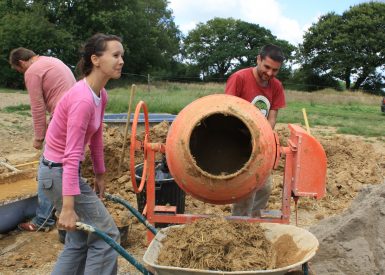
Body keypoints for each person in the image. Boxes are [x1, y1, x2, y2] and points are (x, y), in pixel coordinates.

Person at [39, 33, 123, 274]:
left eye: (122, 56)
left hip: (59, 173)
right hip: (58, 173)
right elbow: (71, 154)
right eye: (115, 55)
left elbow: (96, 137)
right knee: (106, 234)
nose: (121, 61)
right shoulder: (82, 100)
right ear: (95, 60)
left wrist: (100, 173)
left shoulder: (100, 95)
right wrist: (67, 207)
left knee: (77, 241)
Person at [9, 47, 76, 234]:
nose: (22, 73)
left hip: (64, 117)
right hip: (75, 114)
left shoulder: (32, 70)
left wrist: (39, 137)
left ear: (21, 63)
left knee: (47, 167)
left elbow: (37, 107)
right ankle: (65, 208)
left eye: (18, 70)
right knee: (67, 164)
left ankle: (42, 220)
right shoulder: (52, 61)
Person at [225, 44, 286, 217]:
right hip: (238, 141)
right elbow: (227, 110)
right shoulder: (239, 78)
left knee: (264, 187)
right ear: (258, 59)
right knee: (245, 189)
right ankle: (238, 224)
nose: (270, 73)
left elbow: (272, 116)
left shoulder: (276, 86)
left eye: (275, 70)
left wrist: (264, 137)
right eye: (267, 67)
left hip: (260, 143)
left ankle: (254, 222)